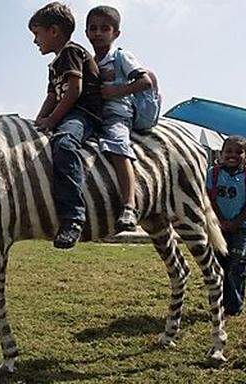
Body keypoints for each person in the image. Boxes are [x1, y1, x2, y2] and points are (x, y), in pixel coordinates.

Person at [29, 2, 103, 249]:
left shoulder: (71, 52)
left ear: (53, 31)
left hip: (83, 113)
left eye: (37, 33)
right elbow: (52, 97)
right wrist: (38, 121)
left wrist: (51, 121)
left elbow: (74, 91)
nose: (35, 41)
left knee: (64, 143)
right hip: (68, 112)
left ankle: (73, 217)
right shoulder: (55, 64)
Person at [85, 6, 153, 232]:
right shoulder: (92, 61)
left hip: (117, 114)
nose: (98, 33)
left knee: (116, 145)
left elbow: (145, 81)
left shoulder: (121, 56)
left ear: (116, 33)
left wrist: (117, 91)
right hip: (95, 116)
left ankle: (129, 204)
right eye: (93, 28)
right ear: (86, 32)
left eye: (105, 28)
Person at [207, 136, 246, 317]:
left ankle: (235, 306)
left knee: (237, 265)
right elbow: (210, 199)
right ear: (221, 153)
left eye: (239, 152)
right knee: (218, 265)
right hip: (218, 226)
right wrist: (220, 220)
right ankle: (218, 303)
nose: (233, 155)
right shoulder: (213, 173)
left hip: (241, 227)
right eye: (228, 151)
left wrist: (236, 222)